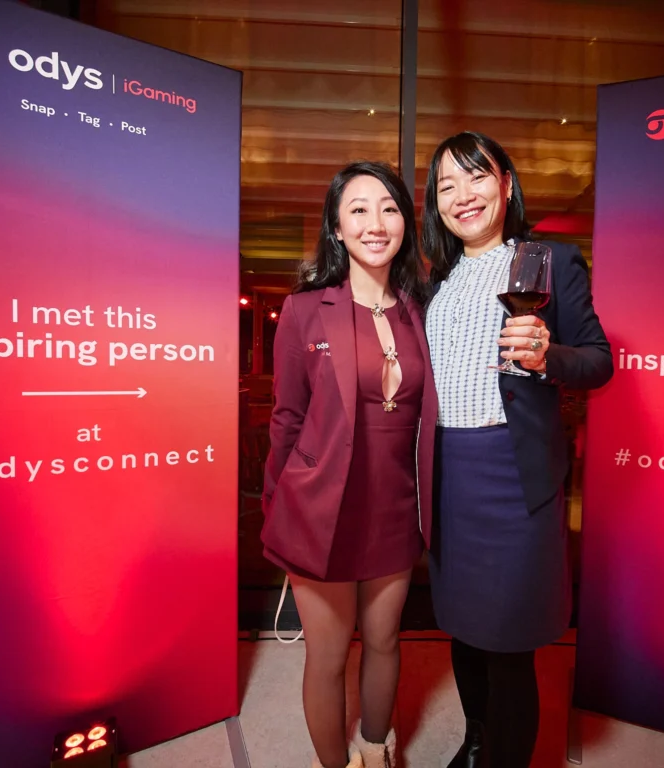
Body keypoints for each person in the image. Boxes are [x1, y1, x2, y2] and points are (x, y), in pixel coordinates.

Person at [421, 131, 613, 768]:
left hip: (513, 474)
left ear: (505, 183)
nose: (463, 195)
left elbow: (598, 361)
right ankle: (476, 743)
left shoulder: (547, 261)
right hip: (449, 476)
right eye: (446, 185)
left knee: (508, 641)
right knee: (464, 628)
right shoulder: (436, 281)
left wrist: (547, 356)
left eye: (476, 176)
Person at [261, 161, 439, 768]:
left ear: (405, 223)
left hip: (396, 505)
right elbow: (287, 419)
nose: (375, 223)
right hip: (319, 509)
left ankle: (375, 747)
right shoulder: (306, 309)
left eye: (389, 209)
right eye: (358, 210)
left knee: (385, 641)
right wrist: (278, 511)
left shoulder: (422, 310)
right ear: (337, 227)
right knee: (329, 655)